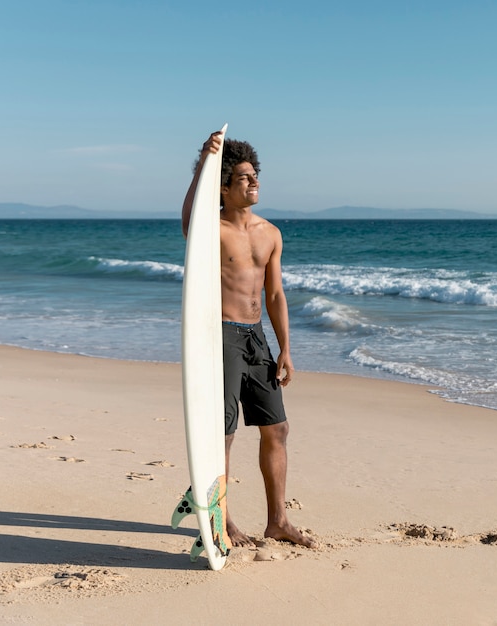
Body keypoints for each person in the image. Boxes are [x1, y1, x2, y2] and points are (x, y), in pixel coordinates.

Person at [182, 129, 316, 549]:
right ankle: (220, 519)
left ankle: (278, 520)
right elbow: (188, 221)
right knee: (222, 434)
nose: (253, 180)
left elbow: (275, 294)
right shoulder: (212, 229)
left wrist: (286, 350)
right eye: (243, 176)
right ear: (223, 187)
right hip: (220, 336)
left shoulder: (271, 233)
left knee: (277, 428)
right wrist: (205, 162)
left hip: (257, 339)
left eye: (254, 173)